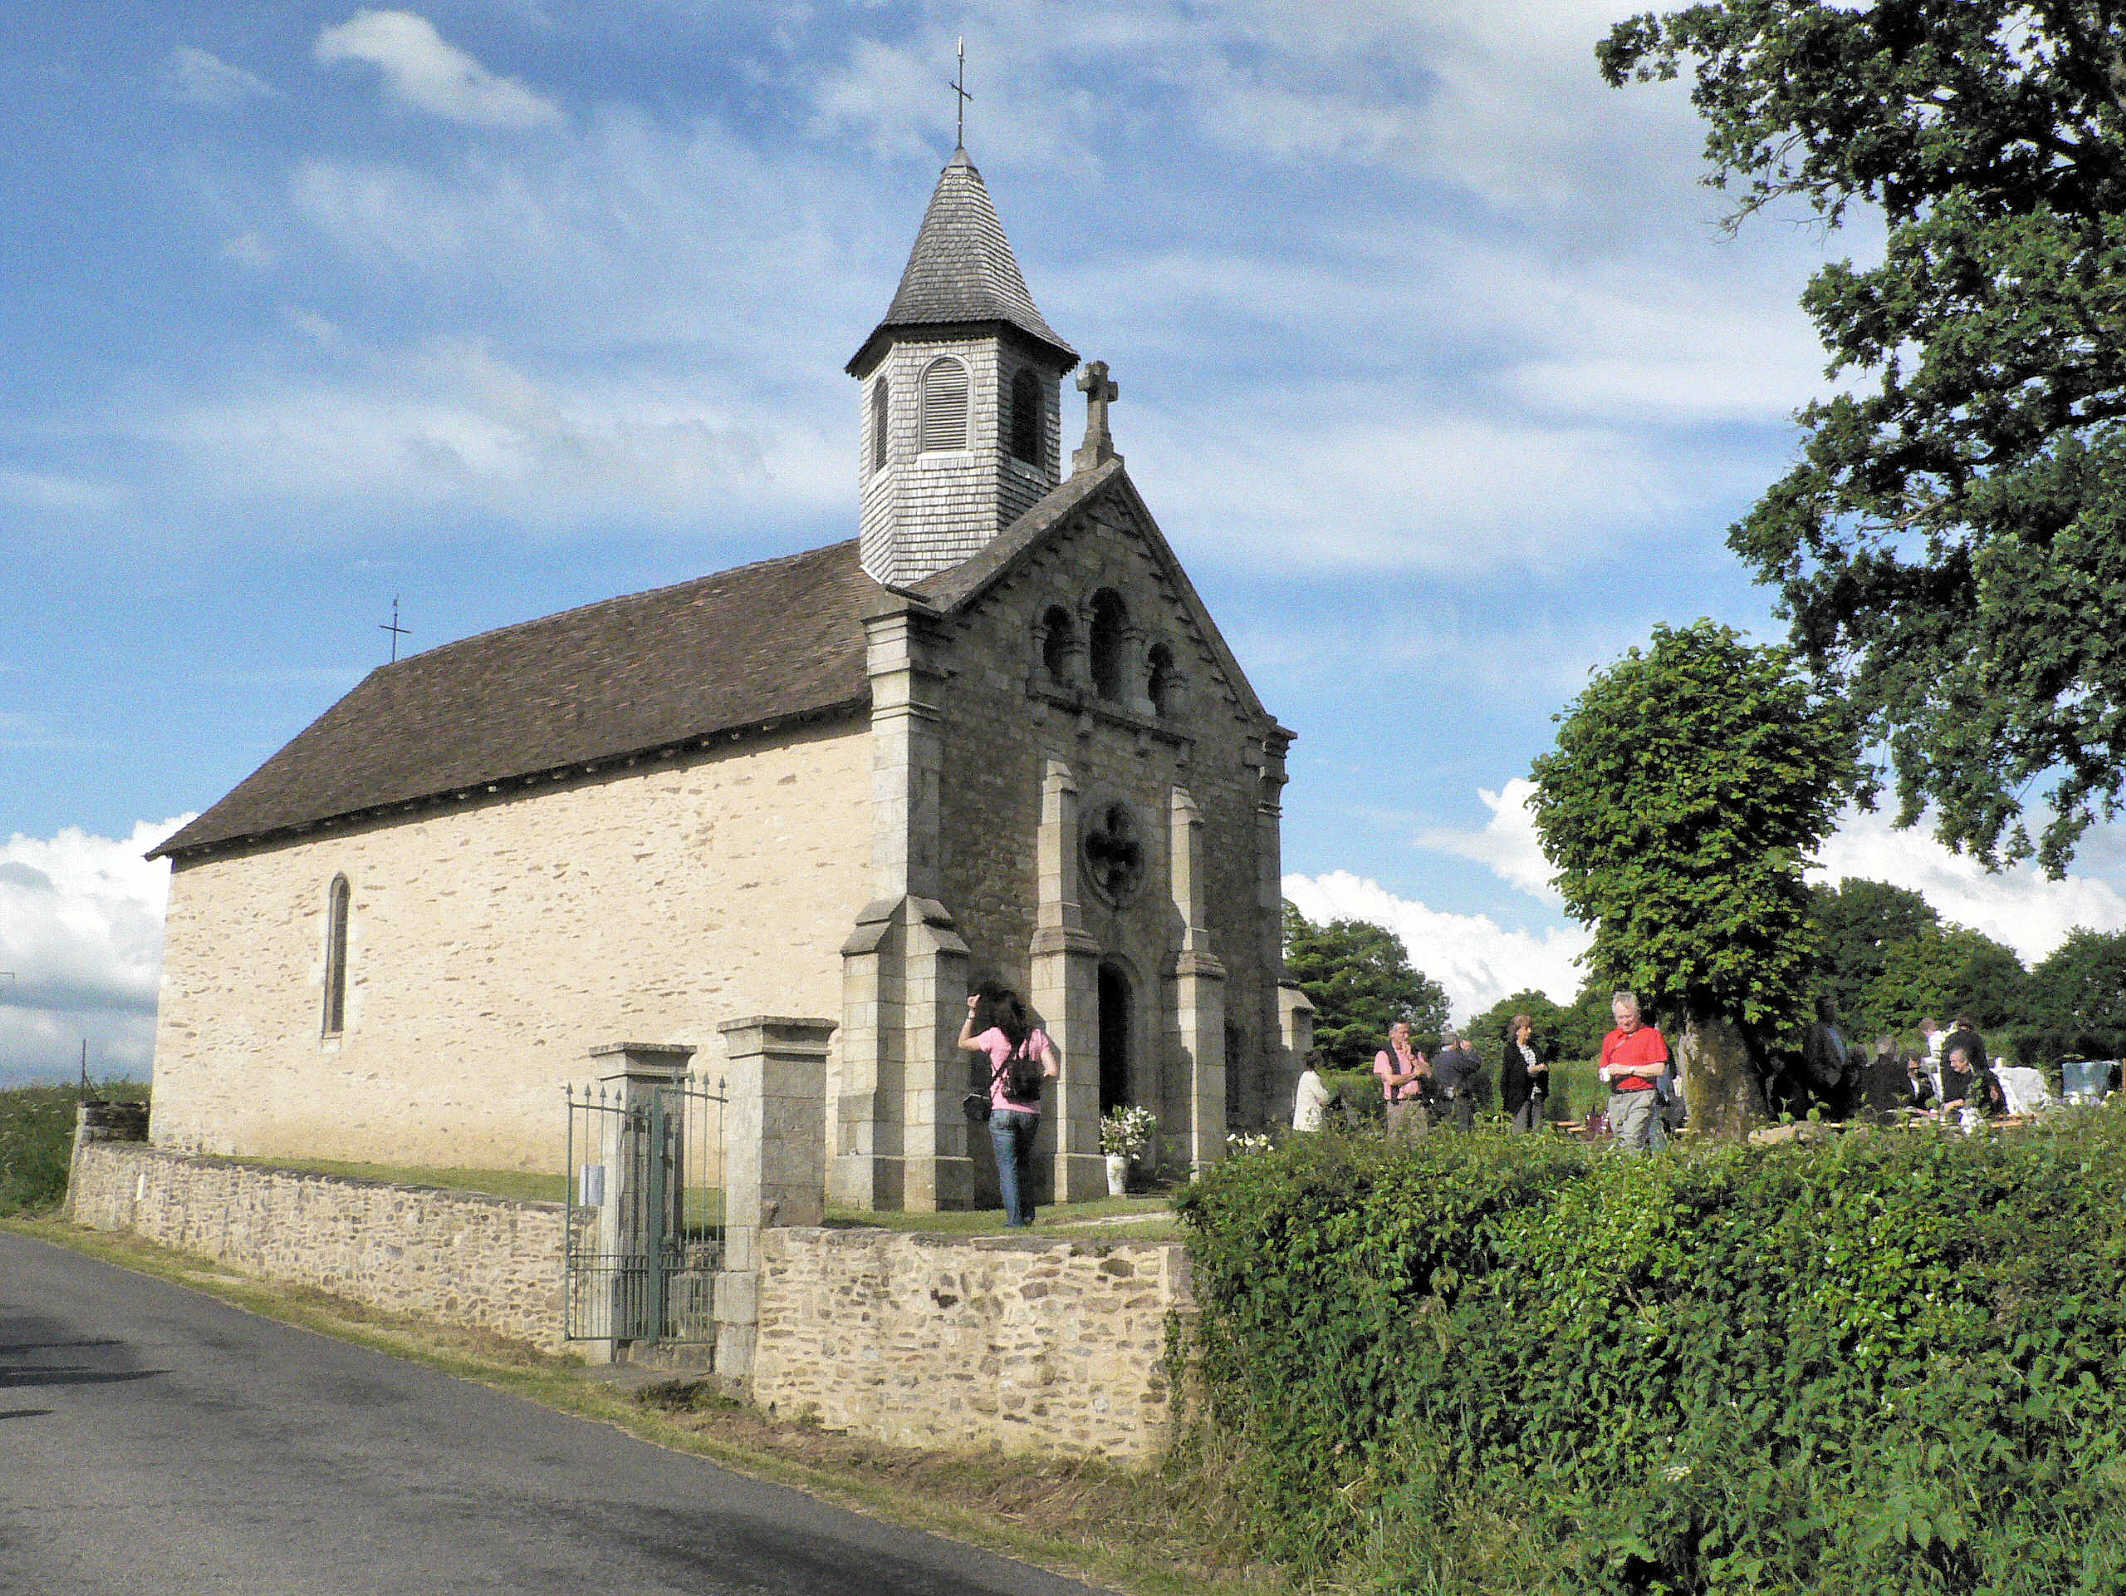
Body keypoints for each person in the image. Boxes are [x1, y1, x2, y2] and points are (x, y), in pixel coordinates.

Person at [957, 988, 1059, 1228]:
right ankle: (1028, 1215)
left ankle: (1014, 1219)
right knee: (1023, 1163)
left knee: (1007, 1166)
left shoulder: (994, 1035)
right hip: (1030, 1112)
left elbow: (963, 1043)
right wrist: (1033, 1083)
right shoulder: (1036, 1035)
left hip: (1002, 1109)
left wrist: (972, 1013)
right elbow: (1053, 1071)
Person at [1599, 990, 1669, 1154]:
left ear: (1638, 1014)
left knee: (1631, 1140)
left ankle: (1633, 1168)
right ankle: (1642, 1166)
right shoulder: (1610, 1038)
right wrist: (1605, 1073)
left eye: (1628, 1016)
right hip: (1617, 1098)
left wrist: (1628, 1070)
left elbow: (1659, 1068)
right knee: (1621, 1141)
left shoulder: (1651, 1035)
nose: (1625, 1021)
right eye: (1620, 1018)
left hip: (1642, 1095)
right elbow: (1603, 1067)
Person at [1373, 1021, 1431, 1138]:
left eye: (1407, 1033)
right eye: (1402, 1033)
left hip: (1417, 1102)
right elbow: (1392, 1080)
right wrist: (1413, 1075)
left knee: (1420, 1140)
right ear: (1392, 1034)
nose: (1406, 1036)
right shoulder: (1384, 1054)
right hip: (1398, 1104)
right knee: (1397, 1141)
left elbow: (1428, 1073)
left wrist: (1412, 1058)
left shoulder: (1415, 1052)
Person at [1802, 995, 1853, 1118]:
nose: (1832, 1010)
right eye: (1828, 1007)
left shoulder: (1838, 1030)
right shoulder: (1815, 1031)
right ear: (1820, 1010)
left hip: (1843, 1079)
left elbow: (1843, 1053)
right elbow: (1812, 1060)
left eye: (1833, 1006)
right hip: (1828, 1083)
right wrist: (1826, 1078)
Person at [1500, 1013, 1550, 1132]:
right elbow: (1516, 1072)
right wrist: (1536, 1069)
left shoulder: (1535, 1048)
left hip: (1537, 1094)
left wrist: (1540, 1069)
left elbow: (1544, 1067)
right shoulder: (1511, 1050)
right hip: (1519, 1097)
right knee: (1520, 1131)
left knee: (1538, 1131)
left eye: (1530, 1028)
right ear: (1518, 1031)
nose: (1530, 1031)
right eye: (1526, 1028)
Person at [1432, 1030, 1483, 1130]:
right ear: (1455, 1042)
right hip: (1458, 1098)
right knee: (1463, 1129)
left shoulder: (1436, 1058)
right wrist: (1469, 1050)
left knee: (1446, 1128)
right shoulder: (1456, 1056)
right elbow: (1474, 1065)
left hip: (1441, 1099)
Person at [1292, 1050, 1332, 1133]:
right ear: (1316, 1063)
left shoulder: (1305, 1075)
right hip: (1310, 1122)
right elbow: (1323, 1097)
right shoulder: (1312, 1078)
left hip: (1302, 1120)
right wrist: (1326, 1093)